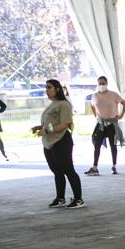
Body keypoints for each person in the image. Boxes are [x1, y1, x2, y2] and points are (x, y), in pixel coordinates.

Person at [33, 79, 83, 208]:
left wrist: (46, 131)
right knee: (57, 171)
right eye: (46, 87)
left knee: (68, 170)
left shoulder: (63, 104)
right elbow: (51, 124)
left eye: (49, 87)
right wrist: (40, 127)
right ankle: (60, 198)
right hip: (49, 142)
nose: (47, 90)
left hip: (61, 141)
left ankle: (78, 199)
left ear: (58, 89)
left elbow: (64, 124)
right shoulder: (52, 104)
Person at [86, 76, 125, 175]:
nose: (101, 85)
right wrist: (96, 115)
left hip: (112, 123)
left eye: (103, 83)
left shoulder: (113, 94)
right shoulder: (95, 96)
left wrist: (121, 115)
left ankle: (114, 165)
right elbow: (92, 106)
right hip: (101, 123)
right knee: (97, 144)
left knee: (113, 145)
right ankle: (95, 167)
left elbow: (124, 103)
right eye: (99, 83)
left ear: (107, 83)